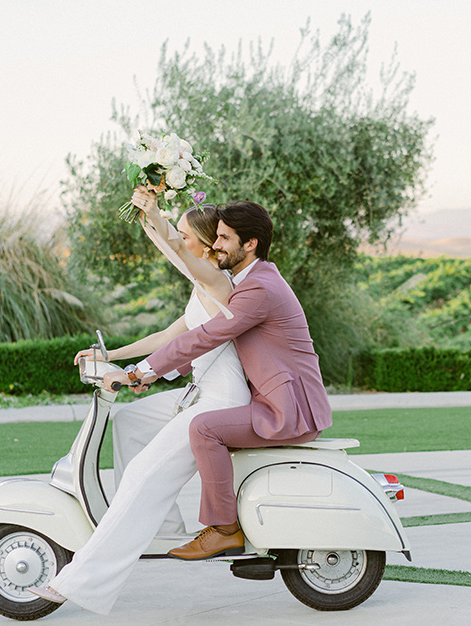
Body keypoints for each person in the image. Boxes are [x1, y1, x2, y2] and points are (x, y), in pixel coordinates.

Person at [29, 187, 250, 614]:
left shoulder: (219, 282)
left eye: (186, 236)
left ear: (204, 244)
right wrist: (108, 356)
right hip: (198, 394)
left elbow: (177, 254)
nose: (179, 242)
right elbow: (169, 336)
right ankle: (160, 528)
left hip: (220, 404)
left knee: (142, 476)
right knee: (130, 422)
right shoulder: (202, 288)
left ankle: (80, 582)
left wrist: (154, 215)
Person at [131, 201, 333, 561]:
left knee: (204, 428)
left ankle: (225, 530)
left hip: (289, 410)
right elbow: (197, 336)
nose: (216, 245)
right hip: (277, 400)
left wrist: (143, 371)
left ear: (250, 243)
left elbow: (207, 335)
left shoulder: (258, 289)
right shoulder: (253, 279)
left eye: (224, 237)